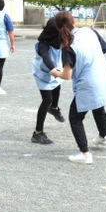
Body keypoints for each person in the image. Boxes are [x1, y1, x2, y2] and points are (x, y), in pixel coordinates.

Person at [51, 10, 106, 164]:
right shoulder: (88, 30)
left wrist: (55, 72)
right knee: (98, 105)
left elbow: (66, 75)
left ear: (59, 28)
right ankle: (103, 136)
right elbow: (104, 48)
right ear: (74, 22)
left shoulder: (68, 46)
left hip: (88, 82)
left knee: (75, 117)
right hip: (102, 74)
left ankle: (85, 153)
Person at [31, 17, 66, 145]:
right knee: (47, 99)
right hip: (43, 73)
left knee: (57, 86)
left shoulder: (60, 39)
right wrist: (53, 69)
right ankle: (37, 133)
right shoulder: (43, 43)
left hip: (55, 70)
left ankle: (54, 108)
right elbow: (46, 57)